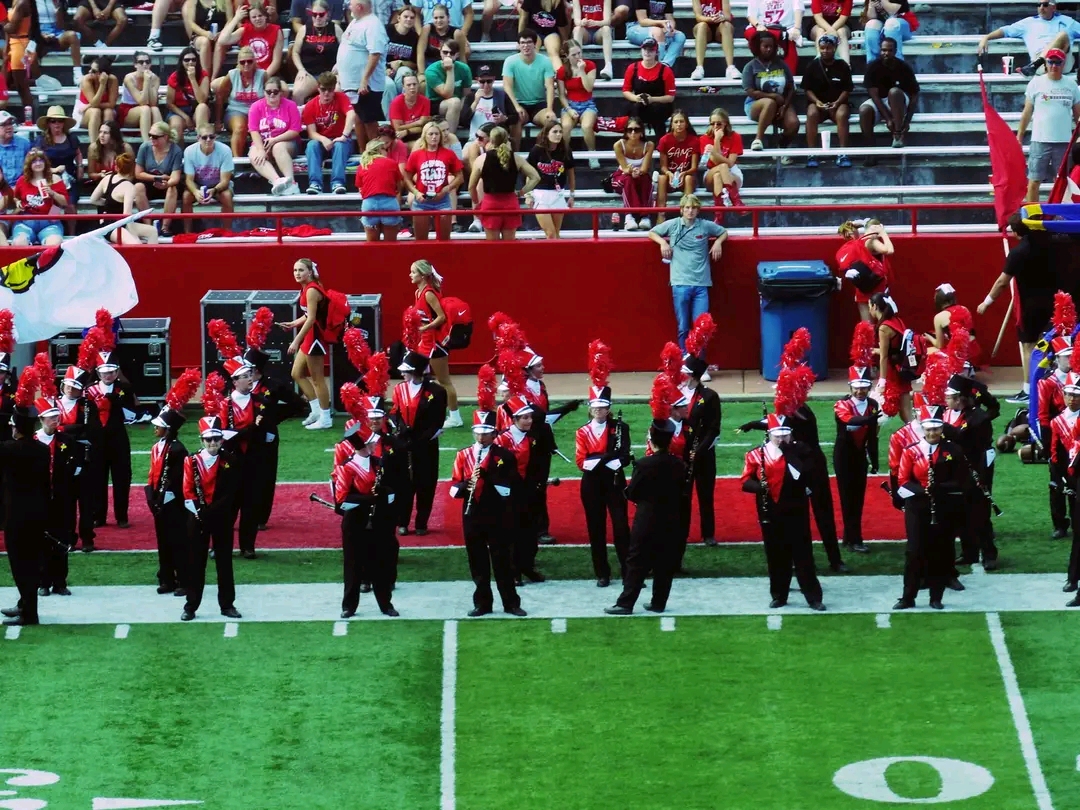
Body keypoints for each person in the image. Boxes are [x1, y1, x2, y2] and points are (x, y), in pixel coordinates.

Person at [448, 383, 525, 617]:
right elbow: (452, 488)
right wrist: (464, 486)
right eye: (478, 432)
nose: (482, 437)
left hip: (497, 514)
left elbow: (512, 489)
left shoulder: (504, 456)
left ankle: (511, 603)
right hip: (472, 514)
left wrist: (488, 477)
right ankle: (482, 603)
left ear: (494, 433)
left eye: (486, 432)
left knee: (502, 560)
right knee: (477, 561)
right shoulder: (463, 455)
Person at [740, 415, 826, 610]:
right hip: (769, 509)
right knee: (775, 554)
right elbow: (745, 481)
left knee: (803, 554)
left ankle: (813, 597)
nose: (781, 439)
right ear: (769, 434)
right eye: (777, 436)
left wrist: (789, 453)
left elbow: (802, 475)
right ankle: (779, 594)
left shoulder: (802, 450)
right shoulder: (755, 454)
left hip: (796, 509)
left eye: (785, 435)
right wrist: (761, 487)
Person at [604, 417, 686, 614]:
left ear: (652, 441)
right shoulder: (679, 464)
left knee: (636, 561)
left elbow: (632, 492)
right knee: (664, 561)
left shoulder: (643, 464)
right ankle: (658, 602)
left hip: (647, 518)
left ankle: (626, 603)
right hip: (672, 518)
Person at [893, 404, 969, 610]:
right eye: (928, 429)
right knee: (914, 551)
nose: (932, 433)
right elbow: (903, 480)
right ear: (923, 429)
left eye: (936, 429)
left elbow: (962, 481)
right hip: (917, 507)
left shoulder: (953, 450)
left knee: (941, 551)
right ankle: (908, 596)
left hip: (944, 506)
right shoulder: (911, 451)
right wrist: (923, 491)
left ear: (942, 429)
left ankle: (936, 597)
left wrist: (941, 488)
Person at [977, 213, 1057, 403]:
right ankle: (1048, 386)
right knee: (1048, 344)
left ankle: (1029, 390)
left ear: (1015, 232)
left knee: (1029, 346)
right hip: (1054, 302)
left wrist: (986, 303)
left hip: (1030, 306)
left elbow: (1002, 282)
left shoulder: (1018, 252)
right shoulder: (1050, 244)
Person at [332, 407, 399, 618]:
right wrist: (369, 498)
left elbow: (390, 488)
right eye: (371, 443)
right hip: (355, 521)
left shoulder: (378, 464)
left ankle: (385, 604)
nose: (375, 445)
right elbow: (342, 499)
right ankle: (349, 606)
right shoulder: (347, 467)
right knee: (353, 564)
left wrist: (386, 493)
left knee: (380, 562)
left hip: (377, 519)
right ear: (363, 445)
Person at [181, 414, 243, 621]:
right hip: (197, 517)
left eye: (216, 439)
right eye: (208, 439)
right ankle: (191, 605)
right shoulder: (191, 460)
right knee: (195, 562)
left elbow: (231, 493)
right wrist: (199, 512)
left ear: (222, 440)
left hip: (221, 518)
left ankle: (227, 605)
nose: (213, 443)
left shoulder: (231, 461)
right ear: (202, 440)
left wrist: (210, 512)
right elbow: (187, 490)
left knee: (224, 563)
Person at [0, 382, 51, 628]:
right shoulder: (42, 449)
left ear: (15, 428)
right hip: (38, 511)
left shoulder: (9, 449)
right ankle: (24, 604)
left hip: (16, 515)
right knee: (31, 561)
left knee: (21, 565)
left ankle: (30, 612)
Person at [648, 194, 727, 351]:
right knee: (683, 326)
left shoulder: (704, 226)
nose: (690, 211)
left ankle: (698, 366)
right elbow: (652, 232)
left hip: (701, 284)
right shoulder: (673, 224)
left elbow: (723, 232)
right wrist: (663, 243)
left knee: (702, 328)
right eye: (687, 208)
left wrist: (718, 242)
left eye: (693, 208)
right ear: (681, 210)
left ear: (698, 210)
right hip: (680, 283)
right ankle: (684, 361)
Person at [576, 370, 631, 586]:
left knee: (621, 527)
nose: (599, 411)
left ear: (609, 409)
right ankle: (602, 572)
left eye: (603, 407)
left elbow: (624, 456)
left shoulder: (620, 428)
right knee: (595, 528)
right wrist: (606, 457)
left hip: (615, 482)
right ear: (590, 409)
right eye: (596, 407)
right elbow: (582, 462)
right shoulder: (582, 432)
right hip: (592, 485)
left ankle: (629, 571)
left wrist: (602, 458)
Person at [145, 377, 197, 597]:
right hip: (159, 501)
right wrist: (151, 496)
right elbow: (153, 474)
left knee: (178, 542)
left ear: (168, 430)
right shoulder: (157, 447)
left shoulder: (178, 450)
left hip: (173, 503)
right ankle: (166, 578)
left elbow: (176, 479)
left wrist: (163, 498)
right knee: (163, 542)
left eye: (159, 426)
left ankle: (184, 581)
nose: (155, 428)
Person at [942, 374, 998, 570]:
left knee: (980, 512)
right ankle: (969, 552)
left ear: (959, 399)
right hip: (961, 467)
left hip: (979, 466)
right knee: (962, 511)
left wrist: (940, 427)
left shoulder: (977, 417)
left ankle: (989, 554)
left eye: (949, 397)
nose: (945, 400)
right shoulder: (955, 413)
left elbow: (961, 436)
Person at [215, 356, 268, 559]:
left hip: (254, 460)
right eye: (244, 377)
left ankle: (248, 545)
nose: (250, 379)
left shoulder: (260, 402)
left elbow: (262, 430)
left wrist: (244, 432)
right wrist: (249, 430)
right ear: (235, 382)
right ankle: (221, 544)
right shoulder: (225, 405)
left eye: (250, 375)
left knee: (251, 505)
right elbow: (223, 433)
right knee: (227, 505)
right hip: (231, 459)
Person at [391, 349, 447, 536]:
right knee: (403, 484)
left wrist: (419, 441)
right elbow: (395, 413)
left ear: (416, 371)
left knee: (426, 483)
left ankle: (422, 522)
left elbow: (437, 422)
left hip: (426, 445)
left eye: (406, 370)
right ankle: (402, 521)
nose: (402, 374)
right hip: (404, 444)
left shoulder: (437, 391)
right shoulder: (399, 389)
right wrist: (401, 432)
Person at [33, 387, 80, 600]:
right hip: (39, 499)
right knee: (41, 541)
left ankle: (60, 582)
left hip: (62, 499)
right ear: (42, 419)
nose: (55, 421)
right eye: (51, 418)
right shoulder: (33, 442)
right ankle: (43, 582)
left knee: (62, 539)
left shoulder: (66, 441)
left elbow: (76, 466)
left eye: (57, 417)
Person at [1018, 47, 1080, 202]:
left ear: (1063, 63)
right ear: (1045, 63)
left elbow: (1078, 115)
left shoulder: (1071, 85)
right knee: (1034, 181)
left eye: (1058, 62)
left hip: (1064, 142)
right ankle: (1033, 215)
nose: (1054, 65)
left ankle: (1061, 216)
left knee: (1063, 182)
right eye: (1051, 62)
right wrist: (1019, 135)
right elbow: (1027, 112)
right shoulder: (1035, 83)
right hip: (1040, 140)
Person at [85, 349, 137, 529]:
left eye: (111, 371)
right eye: (104, 372)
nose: (108, 375)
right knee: (97, 478)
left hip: (118, 439)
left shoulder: (125, 388)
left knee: (122, 478)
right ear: (98, 372)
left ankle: (121, 516)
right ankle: (99, 516)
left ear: (117, 371)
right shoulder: (88, 390)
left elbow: (132, 412)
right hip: (96, 441)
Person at [6, 0, 83, 118]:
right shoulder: (24, 2)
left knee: (23, 90)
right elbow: (32, 25)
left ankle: (29, 121)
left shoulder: (24, 3)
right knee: (20, 87)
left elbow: (11, 28)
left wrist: (57, 7)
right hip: (26, 39)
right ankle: (40, 82)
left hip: (24, 42)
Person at [833, 362, 880, 554]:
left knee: (858, 499)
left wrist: (875, 460)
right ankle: (854, 539)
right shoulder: (841, 404)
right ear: (850, 387)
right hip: (844, 457)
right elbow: (848, 420)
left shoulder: (873, 405)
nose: (860, 391)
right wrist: (869, 420)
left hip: (860, 456)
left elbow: (872, 436)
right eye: (857, 387)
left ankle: (850, 537)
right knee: (847, 498)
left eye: (864, 387)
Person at [54, 363, 101, 553]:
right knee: (66, 502)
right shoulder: (53, 404)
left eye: (76, 387)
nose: (72, 389)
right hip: (62, 459)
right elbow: (50, 430)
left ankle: (87, 537)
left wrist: (63, 430)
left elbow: (92, 430)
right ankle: (68, 537)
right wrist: (73, 431)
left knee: (86, 501)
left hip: (85, 458)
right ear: (63, 385)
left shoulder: (88, 405)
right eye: (69, 385)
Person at [283, 258, 333, 429]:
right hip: (310, 336)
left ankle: (326, 418)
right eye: (295, 270)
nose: (297, 273)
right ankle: (316, 411)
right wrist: (293, 323)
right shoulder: (306, 288)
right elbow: (307, 315)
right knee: (296, 373)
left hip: (315, 338)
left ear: (310, 272)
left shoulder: (311, 290)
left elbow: (312, 319)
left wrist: (296, 341)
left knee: (318, 379)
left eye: (301, 270)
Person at [468, 125, 540, 241]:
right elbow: (535, 177)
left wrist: (476, 202)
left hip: (490, 204)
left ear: (491, 140)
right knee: (509, 247)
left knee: (492, 248)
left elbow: (471, 186)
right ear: (507, 140)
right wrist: (521, 192)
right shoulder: (516, 158)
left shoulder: (481, 159)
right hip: (510, 203)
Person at [979, 0, 1080, 77]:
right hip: (1042, 66)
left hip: (1062, 62)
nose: (1041, 7)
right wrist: (986, 37)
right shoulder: (1028, 23)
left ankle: (1034, 65)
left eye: (1045, 5)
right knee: (1062, 35)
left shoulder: (1068, 22)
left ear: (1053, 7)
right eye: (1038, 5)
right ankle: (1037, 63)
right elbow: (1006, 31)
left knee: (1063, 35)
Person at [337, 0, 389, 151]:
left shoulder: (373, 25)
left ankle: (377, 155)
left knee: (370, 121)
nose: (349, 7)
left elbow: (375, 54)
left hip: (367, 85)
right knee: (358, 119)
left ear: (359, 7)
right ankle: (363, 154)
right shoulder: (356, 21)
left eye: (351, 4)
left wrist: (364, 80)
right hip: (352, 84)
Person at [402, 120, 463, 242]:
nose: (434, 137)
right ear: (424, 136)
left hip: (443, 200)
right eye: (431, 134)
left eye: (436, 134)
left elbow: (460, 177)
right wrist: (416, 192)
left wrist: (447, 189)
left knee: (444, 240)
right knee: (421, 240)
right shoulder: (416, 155)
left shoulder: (448, 154)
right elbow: (406, 178)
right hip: (422, 200)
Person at [860, 36, 920, 158]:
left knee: (894, 92)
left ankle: (898, 135)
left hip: (899, 101)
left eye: (889, 50)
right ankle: (870, 151)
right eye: (883, 50)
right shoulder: (873, 67)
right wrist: (888, 118)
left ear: (895, 51)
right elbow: (874, 96)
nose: (886, 53)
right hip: (880, 101)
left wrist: (907, 121)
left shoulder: (903, 67)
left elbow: (914, 94)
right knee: (864, 110)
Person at [742, 30, 798, 154]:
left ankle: (781, 146)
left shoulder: (781, 64)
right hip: (755, 104)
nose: (768, 49)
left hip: (781, 102)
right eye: (765, 46)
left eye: (771, 47)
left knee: (793, 124)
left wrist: (784, 106)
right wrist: (772, 96)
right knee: (769, 102)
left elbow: (791, 87)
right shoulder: (750, 66)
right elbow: (750, 91)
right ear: (758, 47)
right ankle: (758, 139)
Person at [801, 33, 852, 167]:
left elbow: (847, 89)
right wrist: (817, 101)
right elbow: (807, 89)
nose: (825, 51)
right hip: (819, 103)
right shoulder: (812, 65)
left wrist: (837, 103)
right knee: (811, 113)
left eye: (828, 48)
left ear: (834, 48)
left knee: (842, 114)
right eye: (822, 48)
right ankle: (812, 154)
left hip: (838, 103)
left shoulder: (843, 66)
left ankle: (843, 153)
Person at [88, 153, 159, 245]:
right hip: (113, 226)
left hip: (114, 223)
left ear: (116, 167)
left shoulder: (107, 178)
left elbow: (93, 199)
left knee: (152, 231)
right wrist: (134, 236)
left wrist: (107, 203)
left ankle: (150, 259)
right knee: (136, 244)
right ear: (132, 169)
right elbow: (127, 215)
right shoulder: (129, 187)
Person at [247, 76, 302, 195]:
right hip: (263, 142)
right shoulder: (256, 107)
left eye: (275, 92)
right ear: (264, 92)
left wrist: (275, 140)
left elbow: (295, 130)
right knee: (254, 154)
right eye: (268, 92)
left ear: (280, 93)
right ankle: (277, 181)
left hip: (287, 142)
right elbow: (253, 130)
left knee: (278, 147)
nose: (272, 95)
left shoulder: (290, 105)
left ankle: (292, 183)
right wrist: (261, 149)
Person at [503, 30, 557, 148]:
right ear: (518, 45)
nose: (525, 46)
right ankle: (515, 156)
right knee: (514, 119)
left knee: (551, 121)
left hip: (539, 104)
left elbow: (549, 86)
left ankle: (542, 154)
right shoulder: (510, 61)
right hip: (519, 103)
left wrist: (549, 109)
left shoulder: (545, 61)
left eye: (528, 42)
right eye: (522, 43)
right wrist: (516, 106)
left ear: (535, 44)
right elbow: (507, 85)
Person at [304, 71, 356, 194]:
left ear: (334, 89)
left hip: (341, 140)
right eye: (323, 89)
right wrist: (323, 139)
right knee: (311, 145)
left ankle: (337, 182)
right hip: (322, 141)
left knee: (339, 145)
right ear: (318, 88)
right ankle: (315, 183)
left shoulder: (341, 97)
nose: (326, 93)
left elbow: (351, 114)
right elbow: (311, 133)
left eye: (330, 89)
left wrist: (344, 135)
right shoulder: (310, 106)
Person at [835, 218, 894, 320]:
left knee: (866, 325)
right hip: (876, 287)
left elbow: (851, 229)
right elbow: (889, 250)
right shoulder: (872, 242)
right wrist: (883, 233)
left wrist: (859, 224)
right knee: (882, 324)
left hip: (862, 286)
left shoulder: (860, 240)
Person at [869, 291, 914, 423]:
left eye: (870, 305)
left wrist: (882, 382)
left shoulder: (883, 327)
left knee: (876, 413)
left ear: (875, 306)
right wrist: (875, 351)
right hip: (902, 371)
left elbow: (884, 357)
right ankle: (918, 437)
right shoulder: (897, 320)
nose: (869, 310)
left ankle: (870, 442)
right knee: (906, 413)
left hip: (891, 373)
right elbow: (893, 349)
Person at [526, 119, 575, 239]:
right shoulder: (536, 150)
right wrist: (528, 195)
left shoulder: (566, 150)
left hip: (558, 194)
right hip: (540, 194)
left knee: (556, 234)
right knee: (551, 233)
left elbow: (571, 174)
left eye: (560, 132)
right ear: (546, 134)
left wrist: (572, 194)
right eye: (555, 132)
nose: (558, 134)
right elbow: (529, 173)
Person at [213, 45, 266, 156]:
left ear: (254, 62)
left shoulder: (263, 75)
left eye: (249, 61)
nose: (246, 64)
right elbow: (220, 97)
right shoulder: (232, 75)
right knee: (240, 127)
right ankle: (237, 163)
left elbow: (273, 91)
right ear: (238, 63)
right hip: (236, 110)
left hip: (259, 112)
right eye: (242, 62)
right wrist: (218, 121)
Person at [32, 106, 81, 224]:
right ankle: (51, 229)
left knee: (71, 206)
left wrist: (80, 166)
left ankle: (72, 235)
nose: (57, 124)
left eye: (60, 120)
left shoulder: (72, 138)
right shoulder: (41, 140)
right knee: (51, 205)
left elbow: (78, 153)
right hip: (48, 179)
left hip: (69, 180)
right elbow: (35, 160)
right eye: (53, 121)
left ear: (64, 123)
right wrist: (54, 170)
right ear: (48, 123)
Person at [182, 124, 236, 228]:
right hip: (197, 183)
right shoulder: (189, 151)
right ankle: (188, 232)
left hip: (218, 184)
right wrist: (195, 192)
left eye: (211, 137)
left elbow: (225, 181)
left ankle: (227, 231)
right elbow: (189, 180)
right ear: (198, 138)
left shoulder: (225, 150)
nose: (208, 140)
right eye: (204, 137)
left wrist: (214, 190)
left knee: (227, 196)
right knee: (186, 196)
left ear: (215, 137)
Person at [136, 121, 184, 237]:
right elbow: (138, 173)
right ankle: (148, 225)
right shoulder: (145, 147)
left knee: (172, 188)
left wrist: (166, 184)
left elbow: (175, 177)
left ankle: (165, 227)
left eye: (156, 136)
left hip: (167, 185)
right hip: (150, 183)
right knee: (138, 187)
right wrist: (157, 178)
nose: (152, 138)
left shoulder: (176, 150)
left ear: (166, 137)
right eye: (150, 135)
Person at [555, 41, 599, 167]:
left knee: (586, 126)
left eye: (579, 53)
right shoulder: (562, 71)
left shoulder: (590, 65)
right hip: (571, 103)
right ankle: (564, 154)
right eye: (574, 55)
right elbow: (562, 95)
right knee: (566, 126)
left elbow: (589, 88)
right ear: (567, 56)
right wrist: (568, 109)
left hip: (587, 103)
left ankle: (592, 155)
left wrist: (581, 71)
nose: (578, 57)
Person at [12, 149, 67, 247]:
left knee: (55, 244)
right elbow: (16, 198)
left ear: (45, 162)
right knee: (19, 243)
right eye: (34, 161)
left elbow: (65, 203)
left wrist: (52, 193)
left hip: (50, 221)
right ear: (29, 164)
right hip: (26, 221)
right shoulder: (22, 180)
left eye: (41, 160)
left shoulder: (55, 179)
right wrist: (18, 202)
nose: (38, 163)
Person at [292, 0, 342, 104]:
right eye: (314, 15)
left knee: (339, 91)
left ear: (327, 14)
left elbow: (345, 50)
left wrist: (339, 64)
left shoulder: (335, 29)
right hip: (310, 74)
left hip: (331, 74)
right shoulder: (304, 29)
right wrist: (301, 69)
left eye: (321, 14)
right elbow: (295, 52)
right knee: (297, 93)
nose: (318, 17)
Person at [217, 0, 283, 77]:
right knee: (215, 85)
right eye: (254, 17)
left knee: (284, 87)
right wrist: (236, 18)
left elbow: (276, 62)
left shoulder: (276, 30)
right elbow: (222, 40)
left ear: (265, 16)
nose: (257, 19)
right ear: (250, 19)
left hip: (266, 73)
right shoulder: (245, 29)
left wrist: (263, 77)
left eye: (260, 15)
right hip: (246, 73)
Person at [612, 116, 653, 230]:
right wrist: (631, 171)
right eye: (630, 130)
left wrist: (638, 172)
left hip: (640, 175)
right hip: (622, 176)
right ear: (626, 131)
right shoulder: (619, 145)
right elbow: (624, 168)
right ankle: (629, 216)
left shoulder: (648, 145)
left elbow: (645, 168)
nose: (633, 132)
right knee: (628, 179)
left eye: (637, 129)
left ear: (642, 131)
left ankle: (645, 217)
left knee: (646, 179)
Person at [656, 110, 697, 224]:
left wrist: (684, 173)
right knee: (661, 178)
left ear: (686, 124)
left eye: (681, 121)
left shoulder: (693, 140)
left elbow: (694, 167)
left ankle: (686, 215)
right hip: (671, 177)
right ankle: (661, 214)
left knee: (689, 177)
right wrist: (669, 173)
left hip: (686, 177)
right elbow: (663, 166)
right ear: (672, 125)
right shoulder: (664, 140)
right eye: (676, 122)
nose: (679, 124)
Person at [356, 139, 402, 240]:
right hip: (389, 202)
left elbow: (360, 188)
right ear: (380, 150)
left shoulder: (362, 166)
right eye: (385, 149)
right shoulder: (392, 163)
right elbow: (398, 186)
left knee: (372, 247)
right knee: (390, 245)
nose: (387, 152)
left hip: (369, 203)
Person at [424, 38, 471, 134]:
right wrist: (450, 70)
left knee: (457, 102)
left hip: (457, 105)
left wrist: (460, 111)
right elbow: (447, 94)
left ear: (457, 54)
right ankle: (449, 137)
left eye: (452, 53)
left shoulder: (464, 69)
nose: (448, 55)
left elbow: (466, 95)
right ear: (440, 52)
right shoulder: (431, 70)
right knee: (454, 102)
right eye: (445, 52)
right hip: (435, 104)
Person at [700, 107, 743, 209]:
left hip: (732, 172)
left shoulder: (735, 137)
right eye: (712, 123)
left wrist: (714, 151)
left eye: (718, 124)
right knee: (722, 167)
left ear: (725, 123)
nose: (715, 126)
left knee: (719, 174)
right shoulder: (704, 139)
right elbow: (715, 163)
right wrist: (716, 140)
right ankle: (737, 203)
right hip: (711, 171)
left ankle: (719, 213)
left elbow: (731, 163)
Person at [166, 47, 211, 143]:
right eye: (187, 60)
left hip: (196, 110)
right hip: (179, 111)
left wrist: (192, 79)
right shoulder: (174, 77)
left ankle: (201, 146)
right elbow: (169, 103)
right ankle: (178, 154)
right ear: (181, 61)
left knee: (202, 107)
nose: (190, 62)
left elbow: (202, 100)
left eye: (193, 60)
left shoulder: (203, 75)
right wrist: (186, 117)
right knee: (176, 126)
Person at [745, 0, 802, 75]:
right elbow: (751, 15)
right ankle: (781, 35)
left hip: (785, 28)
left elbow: (798, 9)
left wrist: (797, 28)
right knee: (750, 33)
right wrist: (758, 25)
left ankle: (790, 76)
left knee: (790, 39)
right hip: (762, 28)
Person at [118, 51, 163, 143]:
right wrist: (146, 82)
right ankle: (147, 144)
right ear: (135, 65)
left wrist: (149, 82)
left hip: (147, 111)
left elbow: (153, 103)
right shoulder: (129, 78)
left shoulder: (155, 78)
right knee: (145, 108)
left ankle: (162, 139)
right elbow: (141, 101)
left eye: (147, 62)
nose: (145, 64)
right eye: (141, 62)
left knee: (155, 109)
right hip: (128, 111)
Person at [383, 5, 419, 117]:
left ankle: (401, 115)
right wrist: (385, 68)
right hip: (382, 69)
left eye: (412, 17)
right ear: (399, 18)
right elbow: (374, 54)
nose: (409, 19)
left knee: (404, 72)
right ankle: (389, 120)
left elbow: (414, 64)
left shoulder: (415, 37)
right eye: (406, 16)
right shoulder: (386, 30)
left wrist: (401, 63)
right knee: (388, 85)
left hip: (400, 71)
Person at [417, 4, 470, 81]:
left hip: (450, 66)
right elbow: (420, 53)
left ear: (448, 18)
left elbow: (462, 57)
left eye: (441, 17)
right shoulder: (427, 29)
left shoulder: (457, 33)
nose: (438, 20)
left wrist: (465, 75)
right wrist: (422, 73)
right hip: (430, 65)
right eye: (436, 18)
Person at [626, 0, 685, 68]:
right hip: (635, 28)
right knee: (658, 32)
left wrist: (670, 28)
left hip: (659, 28)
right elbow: (642, 21)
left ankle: (665, 65)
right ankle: (657, 67)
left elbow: (669, 18)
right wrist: (660, 24)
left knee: (680, 36)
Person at [183, 0, 234, 78]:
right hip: (200, 35)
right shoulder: (193, 1)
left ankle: (213, 78)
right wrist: (205, 33)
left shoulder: (226, 1)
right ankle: (205, 78)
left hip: (221, 34)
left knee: (221, 41)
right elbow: (191, 23)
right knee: (204, 42)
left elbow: (230, 20)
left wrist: (222, 32)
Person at [691, 0, 738, 81]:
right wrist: (710, 19)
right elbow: (698, 17)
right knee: (702, 25)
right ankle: (699, 68)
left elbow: (728, 16)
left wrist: (722, 17)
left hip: (720, 30)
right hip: (705, 30)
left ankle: (730, 67)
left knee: (726, 24)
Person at [572, 0, 614, 81]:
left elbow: (607, 21)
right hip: (585, 33)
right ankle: (578, 64)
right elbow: (576, 21)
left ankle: (608, 66)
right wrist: (582, 22)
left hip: (599, 32)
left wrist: (596, 23)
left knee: (606, 29)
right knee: (577, 29)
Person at [389, 72, 432, 144]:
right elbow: (398, 128)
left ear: (418, 85)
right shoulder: (396, 102)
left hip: (419, 134)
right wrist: (418, 123)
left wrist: (407, 130)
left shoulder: (425, 101)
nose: (412, 87)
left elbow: (424, 126)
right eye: (408, 85)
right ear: (403, 86)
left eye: (414, 84)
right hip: (400, 137)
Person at [0, 112, 31, 197]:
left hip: (22, 187)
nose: (9, 127)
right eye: (3, 124)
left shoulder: (25, 143)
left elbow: (31, 168)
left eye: (10, 123)